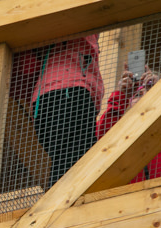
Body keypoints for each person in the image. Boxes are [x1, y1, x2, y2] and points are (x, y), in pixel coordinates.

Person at [12, 35, 104, 187]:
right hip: (68, 92)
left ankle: (59, 200)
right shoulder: (76, 39)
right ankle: (63, 202)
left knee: (65, 159)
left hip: (43, 102)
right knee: (76, 160)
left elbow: (26, 67)